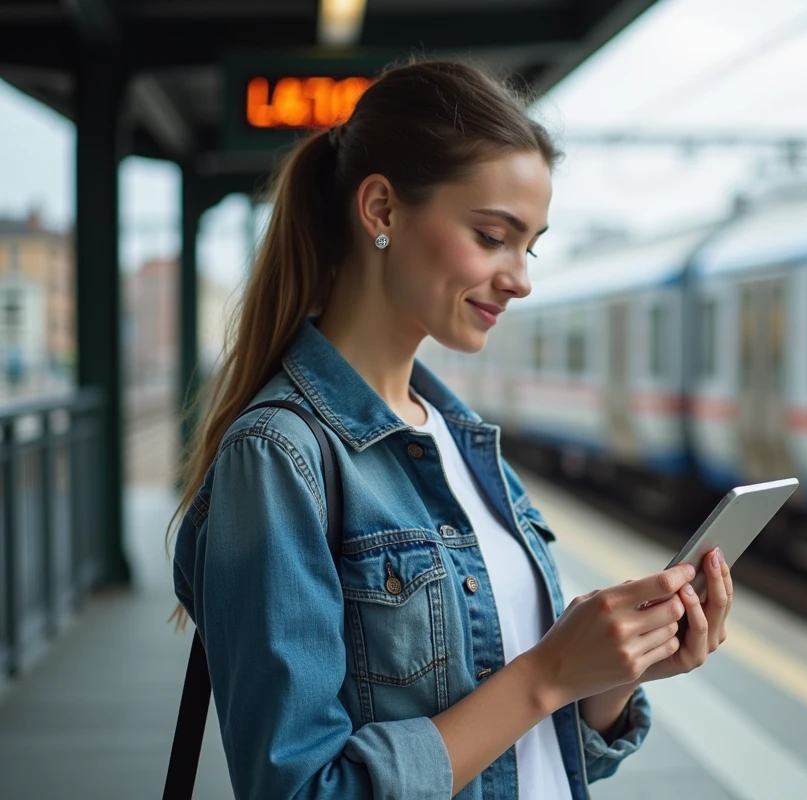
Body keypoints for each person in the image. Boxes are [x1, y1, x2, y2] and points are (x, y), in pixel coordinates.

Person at [168, 60, 734, 799]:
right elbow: (302, 789)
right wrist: (547, 674)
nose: (520, 278)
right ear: (381, 211)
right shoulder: (280, 456)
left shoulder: (460, 440)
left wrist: (607, 678)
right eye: (492, 235)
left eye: (528, 246)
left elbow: (520, 755)